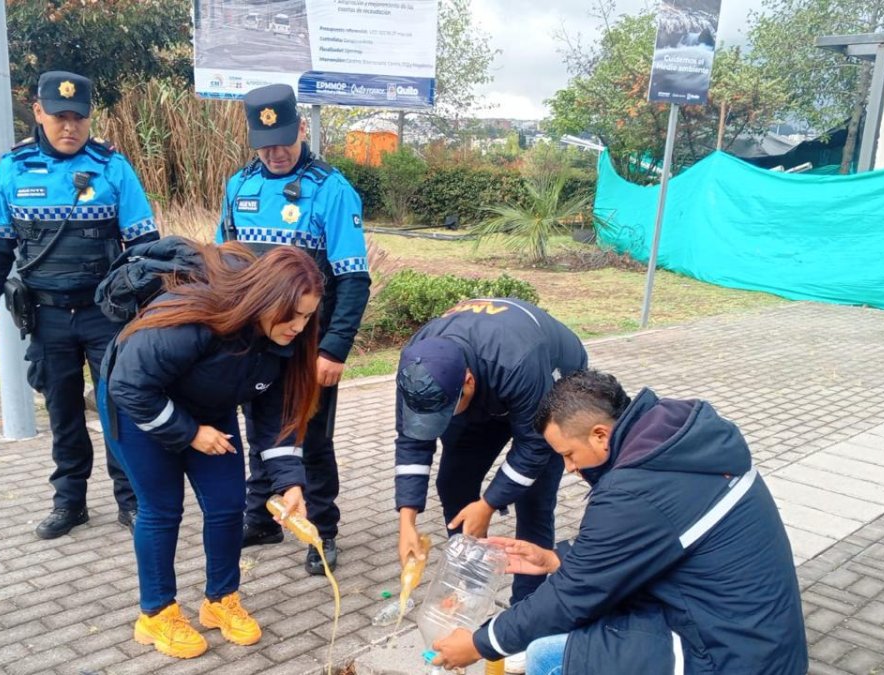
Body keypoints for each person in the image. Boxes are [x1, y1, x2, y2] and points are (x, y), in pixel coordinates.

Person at [430, 370, 809, 675]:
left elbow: (572, 598)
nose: (570, 467)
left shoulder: (634, 489)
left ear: (600, 434)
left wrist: (480, 643)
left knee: (550, 656)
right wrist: (555, 560)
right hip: (755, 636)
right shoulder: (672, 443)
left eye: (569, 454)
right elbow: (641, 544)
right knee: (564, 637)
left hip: (728, 657)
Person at [97, 242, 323, 659]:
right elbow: (128, 385)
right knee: (161, 509)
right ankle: (157, 613)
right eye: (293, 314)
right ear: (266, 300)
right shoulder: (197, 316)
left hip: (208, 408)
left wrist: (291, 484)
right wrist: (188, 433)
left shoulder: (284, 339)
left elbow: (276, 419)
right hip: (138, 404)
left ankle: (220, 601)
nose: (300, 325)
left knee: (226, 504)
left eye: (309, 315)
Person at [0, 70, 159, 539]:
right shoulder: (14, 169)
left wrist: (151, 306)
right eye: (60, 116)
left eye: (79, 117)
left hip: (106, 315)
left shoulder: (113, 168)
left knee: (118, 406)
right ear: (38, 112)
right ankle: (69, 503)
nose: (69, 126)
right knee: (63, 413)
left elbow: (145, 246)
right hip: (47, 316)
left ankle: (131, 500)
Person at [218, 83, 370, 576]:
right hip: (254, 341)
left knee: (312, 438)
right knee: (258, 430)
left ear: (301, 129)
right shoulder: (238, 187)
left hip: (310, 344)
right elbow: (226, 265)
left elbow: (353, 279)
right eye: (264, 144)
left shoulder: (331, 189)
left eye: (283, 139)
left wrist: (334, 348)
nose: (275, 152)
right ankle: (262, 517)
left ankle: (322, 531)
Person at [394, 297, 588, 673]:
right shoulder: (419, 363)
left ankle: (526, 619)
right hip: (486, 393)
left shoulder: (518, 360)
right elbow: (411, 440)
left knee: (534, 499)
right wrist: (408, 523)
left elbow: (533, 447)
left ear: (466, 381)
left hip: (549, 382)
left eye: (450, 406)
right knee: (453, 480)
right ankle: (465, 586)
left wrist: (488, 503)